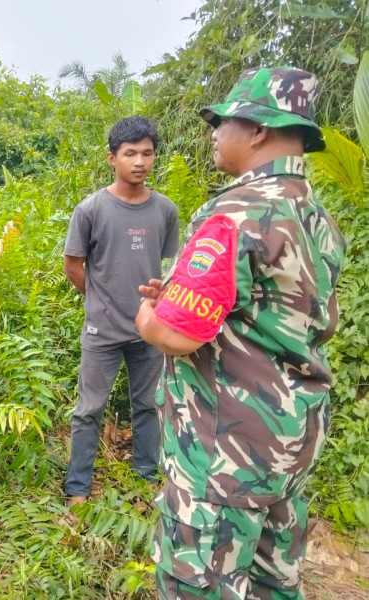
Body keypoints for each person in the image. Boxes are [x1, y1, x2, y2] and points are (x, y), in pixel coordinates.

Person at [135, 67, 346, 599]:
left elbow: (176, 335)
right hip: (286, 443)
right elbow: (276, 315)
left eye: (223, 120)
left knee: (199, 584)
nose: (214, 131)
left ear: (257, 130)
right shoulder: (316, 216)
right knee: (274, 583)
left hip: (224, 453)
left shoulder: (236, 212)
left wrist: (148, 318)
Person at [63, 116, 179, 504]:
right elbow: (73, 265)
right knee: (89, 409)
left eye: (147, 153)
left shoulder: (165, 210)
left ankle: (145, 478)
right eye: (130, 153)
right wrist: (98, 298)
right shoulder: (91, 209)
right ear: (112, 158)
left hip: (150, 330)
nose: (139, 161)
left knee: (149, 405)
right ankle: (77, 488)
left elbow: (166, 267)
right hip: (103, 331)